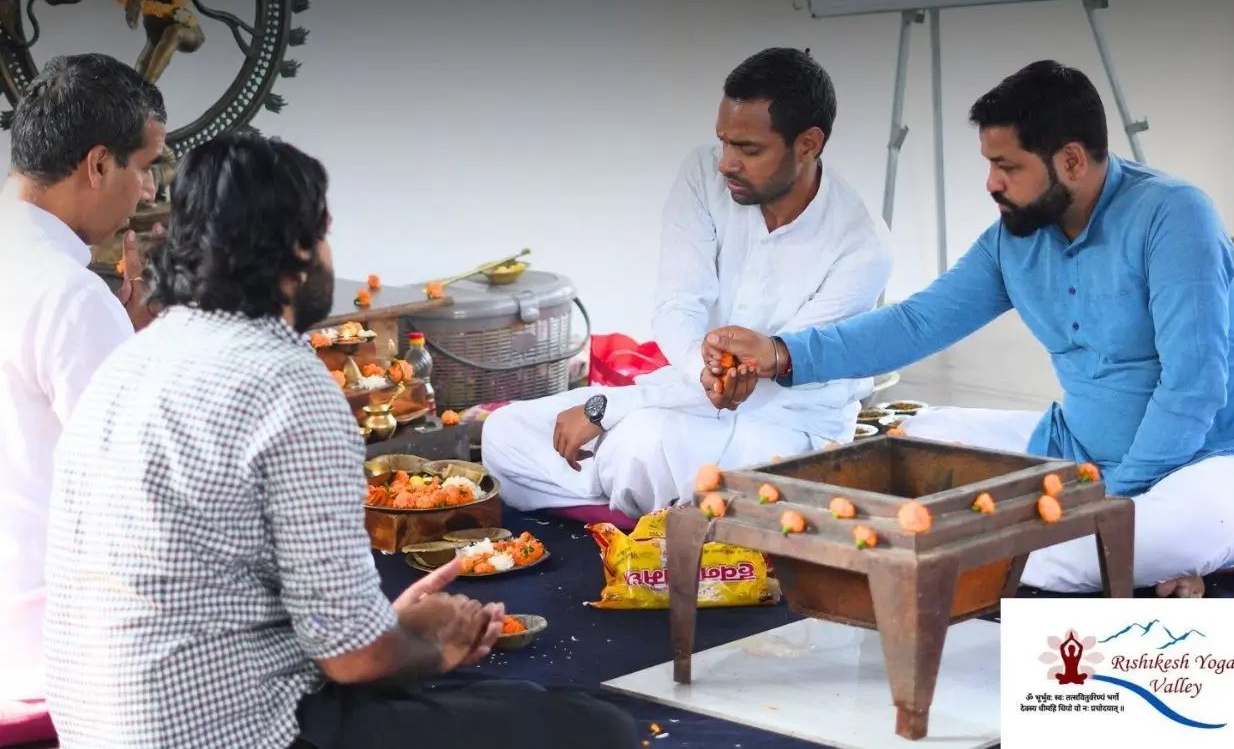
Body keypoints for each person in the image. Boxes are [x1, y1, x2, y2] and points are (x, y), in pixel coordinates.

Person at [43, 133, 637, 749]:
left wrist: (387, 626)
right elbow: (354, 661)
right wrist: (436, 644)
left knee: (507, 706)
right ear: (298, 249)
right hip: (232, 733)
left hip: (95, 727)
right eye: (324, 234)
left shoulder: (130, 361)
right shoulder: (287, 377)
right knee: (588, 727)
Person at [700, 60, 1234, 599]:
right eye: (990, 164)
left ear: (1073, 161)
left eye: (1007, 167)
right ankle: (1134, 558)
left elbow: (1193, 386)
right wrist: (779, 353)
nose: (991, 183)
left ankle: (1188, 550)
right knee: (904, 451)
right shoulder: (1018, 235)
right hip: (1075, 448)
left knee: (1104, 541)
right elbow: (917, 323)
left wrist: (1109, 501)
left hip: (1209, 462)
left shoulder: (1174, 218)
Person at [482, 47, 893, 518]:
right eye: (724, 142)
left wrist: (607, 408)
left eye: (749, 149)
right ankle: (647, 505)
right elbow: (678, 308)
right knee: (504, 431)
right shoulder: (703, 175)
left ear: (808, 144)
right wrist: (698, 374)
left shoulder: (863, 245)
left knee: (642, 445)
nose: (726, 163)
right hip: (684, 391)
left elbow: (774, 373)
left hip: (787, 427)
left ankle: (624, 496)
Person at [0, 53, 166, 720]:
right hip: (61, 658)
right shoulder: (71, 296)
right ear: (98, 165)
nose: (150, 190)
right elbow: (144, 490)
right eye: (145, 165)